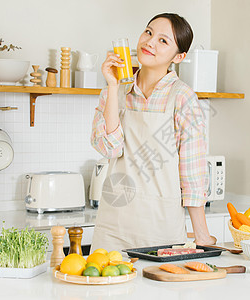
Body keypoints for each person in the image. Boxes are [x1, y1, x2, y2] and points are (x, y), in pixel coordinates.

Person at [90, 13, 216, 252]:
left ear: (179, 57)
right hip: (112, 227)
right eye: (148, 32)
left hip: (160, 229)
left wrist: (202, 235)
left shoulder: (182, 97)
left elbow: (192, 170)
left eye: (163, 41)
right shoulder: (114, 91)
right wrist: (113, 85)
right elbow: (110, 148)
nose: (150, 42)